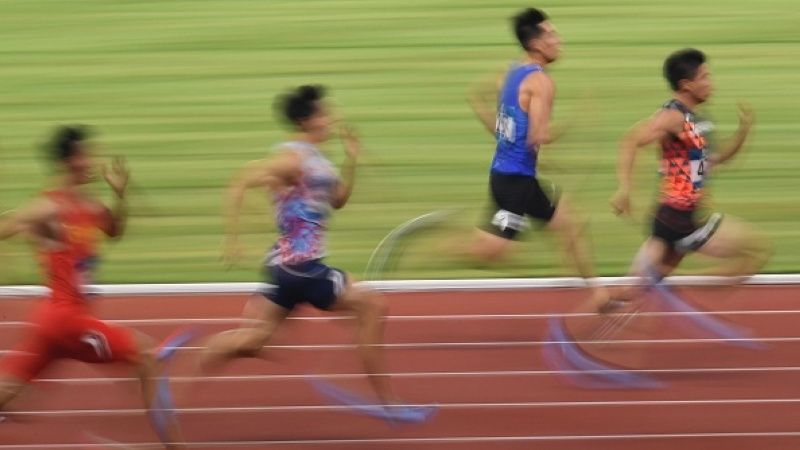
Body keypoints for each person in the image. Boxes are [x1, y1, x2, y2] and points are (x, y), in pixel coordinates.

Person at [199, 85, 431, 421]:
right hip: (301, 265)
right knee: (373, 305)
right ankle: (390, 405)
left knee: (257, 341)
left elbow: (338, 200)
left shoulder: (319, 161)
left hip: (289, 264)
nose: (331, 119)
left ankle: (180, 370)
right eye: (324, 113)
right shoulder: (291, 157)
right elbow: (240, 181)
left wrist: (351, 158)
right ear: (305, 120)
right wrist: (232, 239)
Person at [0, 126, 183, 448]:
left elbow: (115, 230)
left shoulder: (89, 206)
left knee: (10, 390)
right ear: (70, 160)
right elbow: (8, 227)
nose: (93, 161)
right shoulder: (49, 207)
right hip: (65, 319)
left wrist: (120, 195)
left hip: (54, 324)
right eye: (87, 154)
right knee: (146, 356)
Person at [607, 48, 770, 309]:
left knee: (633, 287)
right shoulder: (673, 117)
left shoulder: (696, 121)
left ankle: (593, 312)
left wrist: (743, 132)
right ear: (686, 85)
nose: (711, 83)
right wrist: (624, 189)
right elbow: (630, 140)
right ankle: (689, 290)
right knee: (757, 250)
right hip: (682, 219)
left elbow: (716, 160)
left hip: (671, 218)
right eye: (704, 77)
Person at [467, 7, 607, 306]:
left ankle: (597, 294)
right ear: (536, 44)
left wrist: (529, 152)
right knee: (491, 253)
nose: (558, 40)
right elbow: (537, 136)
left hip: (512, 176)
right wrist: (574, 123)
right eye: (551, 35)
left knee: (570, 223)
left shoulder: (512, 71)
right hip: (515, 183)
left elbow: (505, 125)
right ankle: (432, 244)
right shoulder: (541, 82)